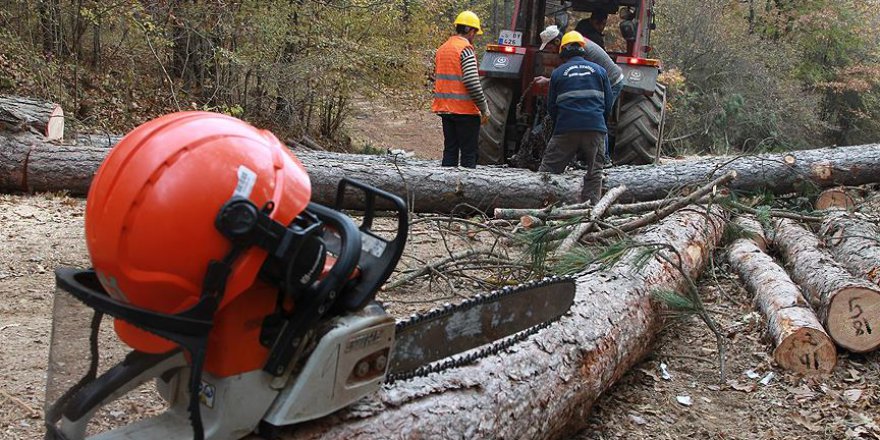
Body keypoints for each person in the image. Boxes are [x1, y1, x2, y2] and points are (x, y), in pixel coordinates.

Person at [539, 31, 613, 204]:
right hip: (595, 128)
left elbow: (552, 107)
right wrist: (597, 121)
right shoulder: (600, 71)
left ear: (563, 50)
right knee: (594, 173)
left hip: (566, 128)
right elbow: (608, 104)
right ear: (582, 49)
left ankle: (541, 207)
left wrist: (563, 124)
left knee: (548, 172)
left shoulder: (558, 73)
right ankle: (590, 212)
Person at [534, 25, 624, 163]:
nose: (550, 50)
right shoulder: (573, 44)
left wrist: (549, 81)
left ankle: (602, 158)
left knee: (598, 117)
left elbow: (578, 72)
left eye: (550, 46)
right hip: (602, 77)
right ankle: (584, 154)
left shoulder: (580, 48)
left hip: (612, 81)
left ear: (557, 42)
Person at [431, 10, 490, 168]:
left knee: (450, 151)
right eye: (475, 32)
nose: (475, 36)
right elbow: (471, 82)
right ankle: (465, 191)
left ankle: (446, 188)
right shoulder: (465, 49)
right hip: (465, 112)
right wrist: (484, 108)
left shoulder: (443, 48)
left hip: (445, 110)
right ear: (470, 31)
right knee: (469, 154)